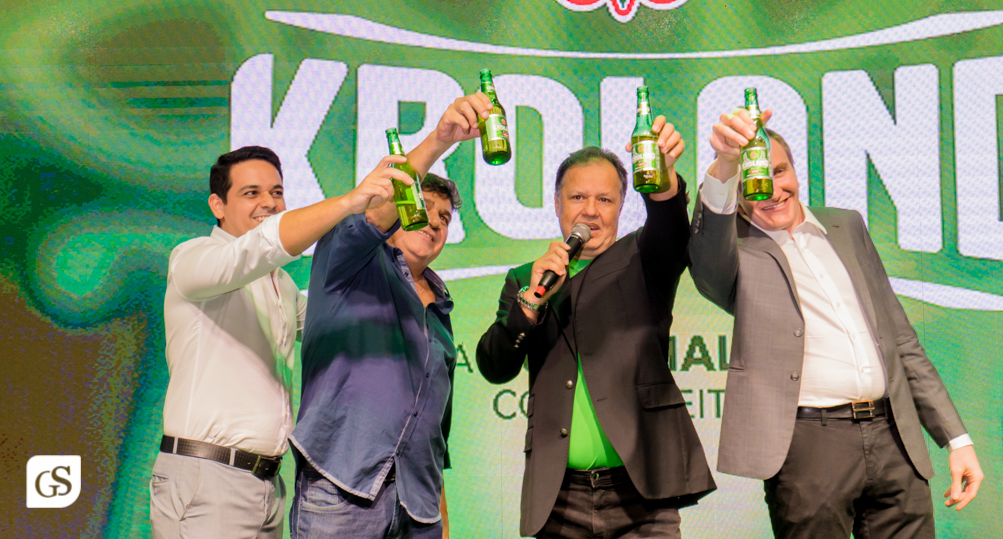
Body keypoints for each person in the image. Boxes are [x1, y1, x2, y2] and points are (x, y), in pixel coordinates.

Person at [689, 110, 985, 539]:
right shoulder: (733, 248)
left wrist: (957, 440)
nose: (773, 190)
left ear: (795, 169)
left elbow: (900, 341)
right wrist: (726, 165)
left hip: (894, 436)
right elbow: (707, 261)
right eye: (756, 180)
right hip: (810, 444)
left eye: (780, 171)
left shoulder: (845, 225)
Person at [153, 144, 414, 539]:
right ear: (217, 205)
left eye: (277, 193)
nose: (269, 203)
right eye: (251, 193)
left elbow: (337, 322)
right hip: (206, 478)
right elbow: (257, 250)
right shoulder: (193, 257)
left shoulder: (282, 285)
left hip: (268, 484)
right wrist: (348, 202)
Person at [476, 116, 715, 539]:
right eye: (578, 197)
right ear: (556, 203)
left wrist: (663, 180)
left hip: (642, 493)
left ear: (623, 204)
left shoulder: (642, 258)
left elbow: (671, 228)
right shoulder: (527, 277)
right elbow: (495, 366)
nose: (590, 210)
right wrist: (530, 305)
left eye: (605, 200)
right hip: (559, 497)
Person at [288, 93, 492, 539]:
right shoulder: (349, 259)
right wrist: (441, 140)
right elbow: (374, 208)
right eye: (423, 208)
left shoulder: (440, 310)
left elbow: (435, 434)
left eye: (445, 217)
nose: (434, 222)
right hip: (341, 491)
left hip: (418, 510)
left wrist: (440, 519)